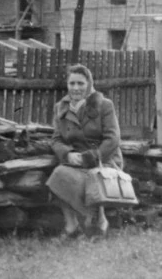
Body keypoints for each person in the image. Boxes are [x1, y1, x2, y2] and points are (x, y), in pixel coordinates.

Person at [46, 64, 123, 238]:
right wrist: (67, 154)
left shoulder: (104, 105)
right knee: (59, 174)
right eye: (72, 83)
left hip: (104, 158)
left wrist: (93, 156)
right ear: (67, 84)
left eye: (80, 83)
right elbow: (56, 139)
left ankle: (100, 221)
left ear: (89, 84)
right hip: (75, 160)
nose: (76, 88)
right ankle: (71, 225)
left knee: (93, 176)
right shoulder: (61, 108)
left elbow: (113, 139)